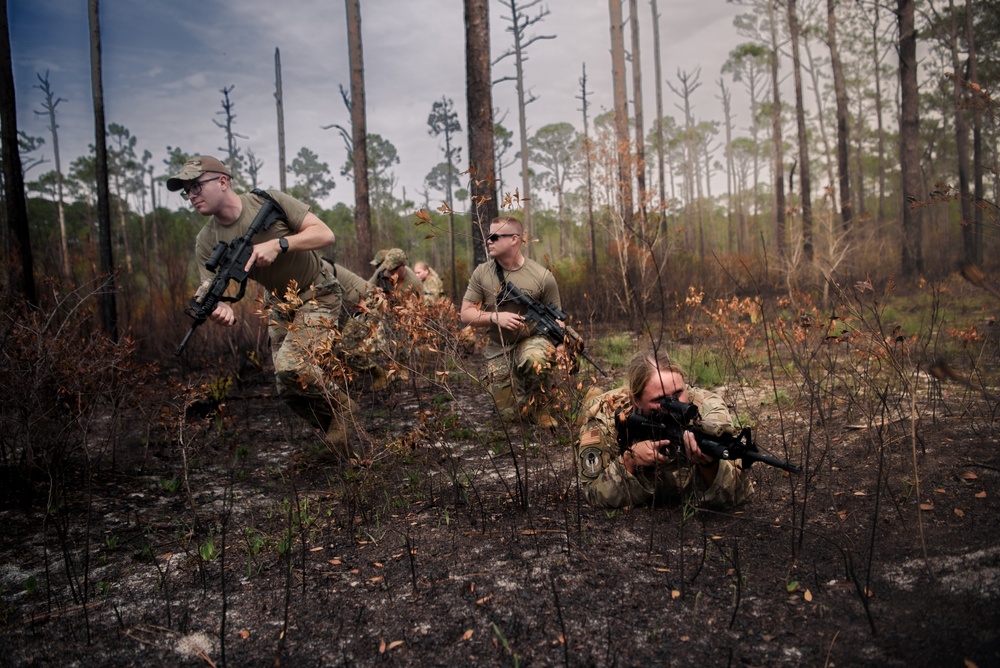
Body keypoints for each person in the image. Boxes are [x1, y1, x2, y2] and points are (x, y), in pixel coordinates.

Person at [167, 155, 355, 457]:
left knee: (293, 367)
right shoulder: (206, 240)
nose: (191, 197)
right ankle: (342, 434)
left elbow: (325, 234)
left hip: (318, 292)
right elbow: (209, 289)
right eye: (186, 192)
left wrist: (280, 244)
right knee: (288, 387)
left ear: (223, 181)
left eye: (196, 187)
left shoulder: (269, 201)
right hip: (280, 305)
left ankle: (344, 413)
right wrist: (220, 310)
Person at [575, 351, 753, 509]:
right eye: (660, 399)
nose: (674, 405)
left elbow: (739, 493)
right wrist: (629, 462)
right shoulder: (604, 415)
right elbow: (593, 493)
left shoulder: (707, 408)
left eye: (678, 393)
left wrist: (709, 464)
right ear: (636, 399)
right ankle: (593, 393)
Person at [460, 216, 563, 427]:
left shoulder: (542, 276)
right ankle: (527, 393)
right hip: (499, 348)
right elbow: (466, 314)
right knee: (509, 416)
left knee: (535, 356)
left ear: (514, 239)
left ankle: (541, 407)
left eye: (495, 236)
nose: (489, 240)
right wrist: (495, 317)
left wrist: (561, 347)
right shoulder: (482, 273)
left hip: (533, 341)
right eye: (488, 236)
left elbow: (558, 320)